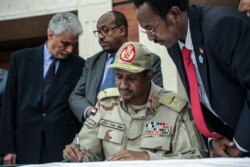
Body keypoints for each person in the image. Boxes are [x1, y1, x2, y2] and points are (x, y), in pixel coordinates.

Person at [133, 0, 250, 157]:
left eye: (151, 29)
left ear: (174, 14)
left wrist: (242, 143)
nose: (150, 38)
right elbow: (202, 95)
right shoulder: (174, 43)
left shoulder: (224, 26)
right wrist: (213, 138)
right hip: (230, 143)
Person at [63, 42, 208, 162]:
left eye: (131, 78)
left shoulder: (175, 109)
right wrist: (77, 154)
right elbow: (87, 151)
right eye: (119, 77)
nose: (123, 85)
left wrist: (147, 158)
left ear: (148, 76)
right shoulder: (106, 104)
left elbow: (195, 158)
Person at [0, 12, 85, 165]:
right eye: (65, 43)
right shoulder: (20, 60)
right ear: (51, 34)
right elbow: (8, 108)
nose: (70, 49)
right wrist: (7, 148)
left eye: (74, 44)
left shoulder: (79, 65)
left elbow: (78, 107)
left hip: (61, 149)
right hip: (24, 146)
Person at [69, 11, 163, 123]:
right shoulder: (92, 62)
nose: (100, 36)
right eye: (98, 31)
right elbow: (75, 96)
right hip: (95, 127)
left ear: (122, 30)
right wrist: (91, 111)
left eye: (105, 30)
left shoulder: (149, 59)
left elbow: (154, 98)